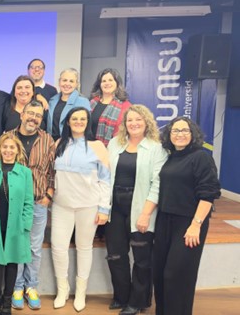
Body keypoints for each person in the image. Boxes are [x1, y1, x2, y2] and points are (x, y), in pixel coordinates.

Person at [153, 117, 221, 315]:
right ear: (169, 135)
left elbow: (209, 194)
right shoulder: (171, 156)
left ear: (193, 134)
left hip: (189, 223)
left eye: (184, 130)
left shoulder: (201, 157)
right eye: (175, 131)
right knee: (160, 274)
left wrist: (196, 224)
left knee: (177, 275)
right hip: (165, 220)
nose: (179, 134)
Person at [106, 105, 167, 315]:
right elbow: (105, 175)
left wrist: (145, 214)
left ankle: (138, 301)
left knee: (142, 258)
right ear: (124, 123)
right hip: (115, 206)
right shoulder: (115, 143)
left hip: (141, 205)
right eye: (130, 120)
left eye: (138, 120)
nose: (134, 123)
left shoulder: (156, 148)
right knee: (115, 255)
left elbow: (158, 184)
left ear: (146, 122)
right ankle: (121, 296)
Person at [51, 107, 110, 312]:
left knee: (84, 248)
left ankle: (81, 292)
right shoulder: (58, 144)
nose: (78, 122)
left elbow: (105, 180)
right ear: (67, 122)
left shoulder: (98, 147)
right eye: (74, 118)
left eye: (82, 119)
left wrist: (104, 208)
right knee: (58, 248)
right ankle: (62, 289)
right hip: (61, 205)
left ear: (88, 122)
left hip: (89, 206)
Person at [8, 100, 55, 310]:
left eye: (37, 115)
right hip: (13, 204)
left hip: (38, 202)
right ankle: (17, 287)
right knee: (18, 246)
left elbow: (53, 172)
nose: (33, 118)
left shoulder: (47, 140)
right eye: (30, 113)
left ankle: (31, 286)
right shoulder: (8, 138)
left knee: (35, 247)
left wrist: (49, 196)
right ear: (22, 114)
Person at [0, 133, 34, 315]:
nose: (8, 150)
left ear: (18, 151)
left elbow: (28, 201)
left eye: (12, 147)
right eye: (5, 147)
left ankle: (7, 302)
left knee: (12, 264)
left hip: (16, 226)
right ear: (0, 150)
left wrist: (26, 224)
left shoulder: (25, 173)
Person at [90, 68, 132, 147]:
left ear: (117, 83)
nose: (107, 83)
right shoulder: (92, 103)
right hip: (89, 149)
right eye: (104, 81)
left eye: (110, 80)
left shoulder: (126, 106)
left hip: (113, 150)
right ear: (100, 84)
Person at [46, 68, 90, 141]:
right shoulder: (52, 100)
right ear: (59, 82)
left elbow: (86, 127)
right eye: (64, 80)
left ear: (76, 84)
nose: (67, 84)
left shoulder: (83, 101)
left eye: (71, 81)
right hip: (52, 144)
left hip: (72, 143)